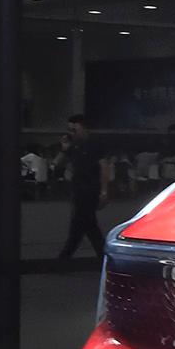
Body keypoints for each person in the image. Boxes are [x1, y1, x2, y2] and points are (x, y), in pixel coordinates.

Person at [54, 113, 110, 263]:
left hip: (90, 189)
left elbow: (104, 167)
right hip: (78, 190)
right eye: (70, 130)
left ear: (84, 128)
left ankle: (63, 259)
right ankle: (104, 257)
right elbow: (57, 164)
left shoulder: (94, 144)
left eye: (74, 129)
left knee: (80, 224)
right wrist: (64, 148)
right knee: (88, 226)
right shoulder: (74, 146)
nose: (72, 133)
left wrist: (104, 191)